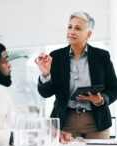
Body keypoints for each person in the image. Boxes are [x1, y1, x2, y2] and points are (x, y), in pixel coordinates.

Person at [35, 11, 117, 139]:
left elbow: (114, 89)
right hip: (66, 122)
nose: (71, 32)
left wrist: (101, 100)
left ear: (88, 34)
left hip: (96, 122)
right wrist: (45, 74)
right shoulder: (56, 56)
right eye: (69, 27)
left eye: (77, 28)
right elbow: (45, 93)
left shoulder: (102, 56)